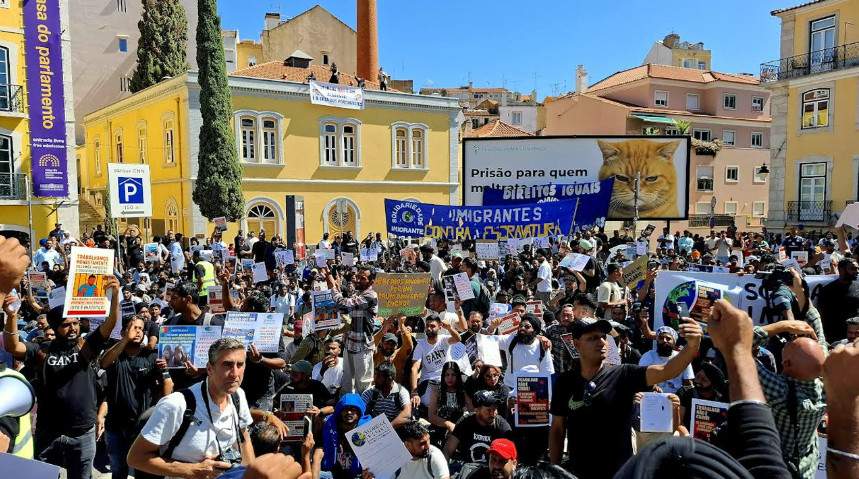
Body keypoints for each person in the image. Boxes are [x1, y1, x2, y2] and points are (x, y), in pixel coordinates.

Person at [549, 316, 703, 479]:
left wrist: (692, 346)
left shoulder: (624, 374)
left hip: (620, 473)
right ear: (577, 344)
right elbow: (557, 430)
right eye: (593, 338)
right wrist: (555, 470)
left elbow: (668, 371)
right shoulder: (565, 382)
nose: (601, 342)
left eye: (603, 337)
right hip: (577, 472)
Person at [3, 275, 120, 479]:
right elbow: (13, 347)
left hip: (82, 433)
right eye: (66, 325)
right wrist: (11, 316)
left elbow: (110, 323)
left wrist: (115, 295)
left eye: (75, 323)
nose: (73, 328)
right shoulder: (42, 350)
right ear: (56, 328)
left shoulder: (87, 347)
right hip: (49, 432)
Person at [128, 338, 255, 478]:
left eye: (240, 364)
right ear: (209, 369)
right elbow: (136, 457)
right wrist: (192, 470)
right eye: (227, 364)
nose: (235, 373)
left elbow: (243, 438)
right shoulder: (176, 405)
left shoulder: (237, 395)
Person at [99, 314, 172, 479]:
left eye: (140, 329)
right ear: (124, 331)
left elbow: (168, 384)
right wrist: (125, 340)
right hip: (115, 426)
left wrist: (162, 413)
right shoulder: (114, 353)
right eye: (133, 328)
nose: (137, 332)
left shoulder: (151, 356)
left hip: (143, 427)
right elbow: (104, 363)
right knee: (118, 471)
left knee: (145, 473)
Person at [752, 319, 826, 478]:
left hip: (771, 468)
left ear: (785, 362)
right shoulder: (826, 389)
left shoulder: (778, 390)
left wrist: (781, 326)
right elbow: (820, 340)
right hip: (803, 470)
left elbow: (736, 345)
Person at [327, 265, 378, 395]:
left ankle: (363, 411)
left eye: (363, 278)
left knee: (363, 384)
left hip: (362, 347)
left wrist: (332, 286)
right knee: (347, 381)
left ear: (372, 281)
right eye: (358, 277)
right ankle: (347, 408)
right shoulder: (358, 294)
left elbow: (344, 306)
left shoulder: (370, 296)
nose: (358, 280)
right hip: (350, 344)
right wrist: (336, 286)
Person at [442, 390, 514, 467]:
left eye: (495, 409)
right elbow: (448, 450)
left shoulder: (502, 426)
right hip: (467, 469)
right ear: (477, 410)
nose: (493, 414)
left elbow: (512, 456)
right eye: (489, 410)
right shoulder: (465, 422)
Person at [312, 394, 372, 479]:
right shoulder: (329, 426)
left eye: (353, 409)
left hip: (359, 475)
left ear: (359, 412)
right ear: (340, 411)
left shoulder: (368, 428)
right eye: (345, 409)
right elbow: (317, 455)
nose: (349, 412)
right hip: (333, 474)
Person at [410, 314, 462, 408]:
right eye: (427, 326)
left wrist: (450, 328)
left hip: (446, 379)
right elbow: (414, 368)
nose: (429, 328)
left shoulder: (444, 340)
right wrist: (414, 392)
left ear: (440, 328)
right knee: (428, 404)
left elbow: (458, 339)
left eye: (433, 326)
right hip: (429, 381)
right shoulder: (421, 345)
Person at [637, 326, 694, 394]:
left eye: (668, 338)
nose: (664, 340)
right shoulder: (648, 356)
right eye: (661, 338)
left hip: (676, 397)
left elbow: (688, 384)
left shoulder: (682, 357)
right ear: (657, 340)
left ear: (674, 342)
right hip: (652, 396)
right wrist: (652, 388)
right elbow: (641, 380)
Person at [427, 361, 472, 448]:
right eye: (447, 375)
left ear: (457, 376)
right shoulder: (436, 390)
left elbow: (472, 413)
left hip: (459, 429)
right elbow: (431, 416)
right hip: (439, 427)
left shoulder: (463, 390)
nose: (450, 378)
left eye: (453, 375)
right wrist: (448, 425)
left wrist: (458, 428)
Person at [818, 258, 859, 343]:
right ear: (841, 270)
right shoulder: (827, 290)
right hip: (835, 338)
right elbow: (821, 315)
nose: (857, 271)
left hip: (856, 337)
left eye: (857, 269)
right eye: (853, 269)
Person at [360, 361, 412, 428]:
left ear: (389, 379)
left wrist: (388, 427)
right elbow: (359, 408)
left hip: (395, 426)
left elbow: (407, 412)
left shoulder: (401, 392)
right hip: (375, 427)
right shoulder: (370, 392)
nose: (374, 379)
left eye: (378, 376)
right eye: (375, 375)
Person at [372, 314, 414, 384]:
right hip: (377, 388)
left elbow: (408, 347)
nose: (389, 346)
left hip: (395, 390)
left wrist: (401, 325)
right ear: (381, 343)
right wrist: (383, 329)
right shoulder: (376, 355)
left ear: (397, 345)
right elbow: (371, 345)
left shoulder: (399, 355)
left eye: (392, 344)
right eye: (386, 343)